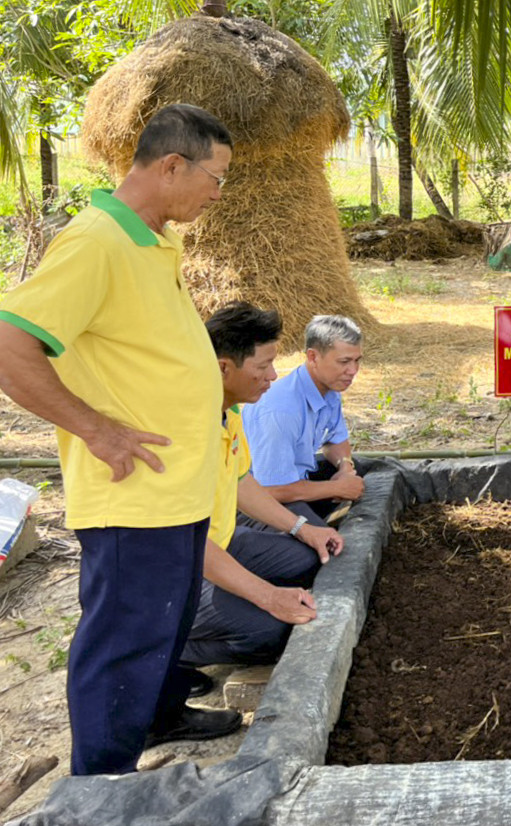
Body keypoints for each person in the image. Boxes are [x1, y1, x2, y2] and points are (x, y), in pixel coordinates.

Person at [0, 104, 239, 775]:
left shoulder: (151, 240)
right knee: (125, 639)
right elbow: (11, 344)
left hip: (176, 490)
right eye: (214, 178)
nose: (218, 193)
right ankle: (101, 786)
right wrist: (96, 429)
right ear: (171, 165)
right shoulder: (97, 241)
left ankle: (162, 712)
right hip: (134, 497)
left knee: (166, 623)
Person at [177, 303, 345, 680]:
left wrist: (305, 528)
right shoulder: (186, 429)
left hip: (222, 540)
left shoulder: (229, 409)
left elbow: (242, 483)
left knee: (305, 560)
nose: (273, 376)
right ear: (223, 367)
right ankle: (172, 648)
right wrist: (267, 596)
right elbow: (186, 541)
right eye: (262, 366)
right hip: (180, 566)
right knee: (271, 631)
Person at [242, 315, 368, 521]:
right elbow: (271, 489)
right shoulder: (281, 411)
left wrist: (345, 467)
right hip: (259, 502)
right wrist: (335, 487)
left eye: (357, 361)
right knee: (326, 545)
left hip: (294, 480)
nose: (353, 371)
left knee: (368, 469)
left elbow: (336, 439)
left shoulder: (329, 388)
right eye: (344, 362)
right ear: (312, 357)